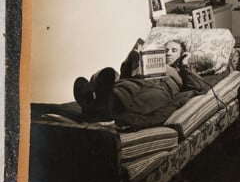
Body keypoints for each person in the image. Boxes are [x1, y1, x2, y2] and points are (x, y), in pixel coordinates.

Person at [73, 39, 209, 127]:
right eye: (166, 50)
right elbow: (125, 74)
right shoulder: (149, 61)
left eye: (174, 51)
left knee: (138, 96)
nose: (168, 53)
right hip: (139, 80)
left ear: (181, 54)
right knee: (123, 84)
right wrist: (134, 58)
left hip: (162, 90)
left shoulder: (181, 71)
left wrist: (185, 64)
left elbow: (199, 87)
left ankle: (94, 104)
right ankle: (100, 101)